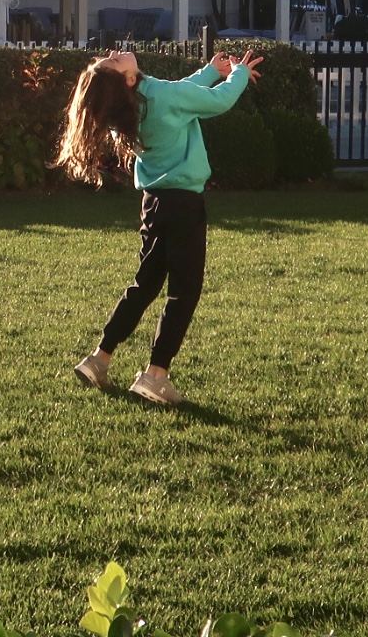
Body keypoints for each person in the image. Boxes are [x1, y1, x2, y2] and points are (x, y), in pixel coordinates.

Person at [54, 46, 258, 407]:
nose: (115, 52)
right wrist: (238, 74)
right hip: (183, 205)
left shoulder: (133, 107)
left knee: (145, 284)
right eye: (114, 61)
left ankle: (99, 358)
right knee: (184, 291)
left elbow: (180, 96)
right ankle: (156, 375)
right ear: (129, 79)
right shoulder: (160, 97)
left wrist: (210, 72)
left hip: (153, 205)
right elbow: (217, 102)